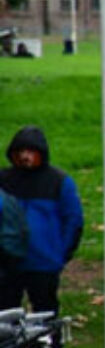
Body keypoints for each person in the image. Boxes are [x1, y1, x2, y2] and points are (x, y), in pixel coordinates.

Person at [0, 127, 84, 318]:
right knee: (6, 314)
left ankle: (49, 347)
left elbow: (73, 220)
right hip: (7, 261)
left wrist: (60, 254)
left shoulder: (59, 182)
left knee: (46, 313)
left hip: (43, 263)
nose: (25, 157)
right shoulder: (4, 179)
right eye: (20, 152)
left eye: (30, 152)